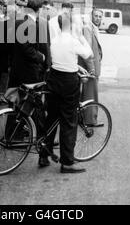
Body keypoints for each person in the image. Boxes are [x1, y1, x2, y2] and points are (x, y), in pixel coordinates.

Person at [39, 12, 93, 174]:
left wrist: (76, 67)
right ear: (71, 25)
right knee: (69, 122)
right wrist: (81, 36)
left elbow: (63, 60)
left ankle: (44, 155)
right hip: (69, 82)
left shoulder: (55, 40)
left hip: (54, 79)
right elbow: (88, 53)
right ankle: (67, 162)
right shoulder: (73, 40)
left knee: (51, 119)